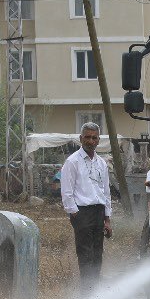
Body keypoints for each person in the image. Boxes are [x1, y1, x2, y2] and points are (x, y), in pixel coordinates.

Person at [59, 122, 112, 289]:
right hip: (82, 212)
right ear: (81, 138)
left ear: (98, 140)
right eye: (87, 137)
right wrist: (75, 213)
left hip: (99, 212)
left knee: (97, 254)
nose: (91, 141)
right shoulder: (72, 162)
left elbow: (106, 192)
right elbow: (67, 192)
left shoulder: (101, 163)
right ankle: (86, 294)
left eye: (94, 138)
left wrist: (107, 219)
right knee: (85, 255)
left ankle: (95, 291)